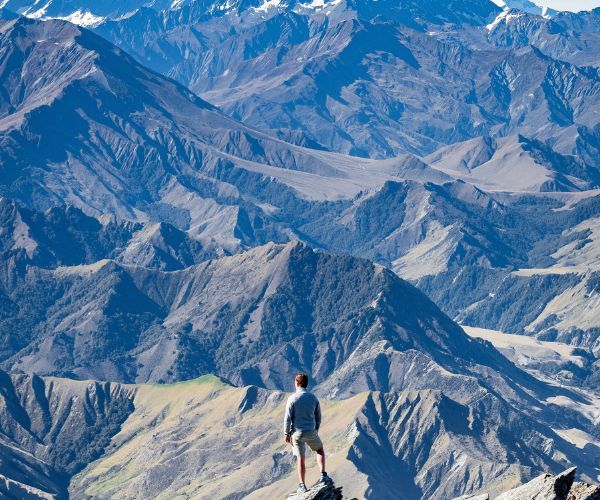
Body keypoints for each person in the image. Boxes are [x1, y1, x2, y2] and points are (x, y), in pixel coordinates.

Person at [283, 372, 332, 494]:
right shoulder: (313, 398)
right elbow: (318, 417)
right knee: (319, 450)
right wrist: (315, 430)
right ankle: (323, 475)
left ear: (296, 383)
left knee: (301, 458)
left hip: (297, 433)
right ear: (306, 383)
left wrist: (286, 433)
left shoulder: (292, 399)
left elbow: (287, 418)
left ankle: (302, 485)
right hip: (311, 431)